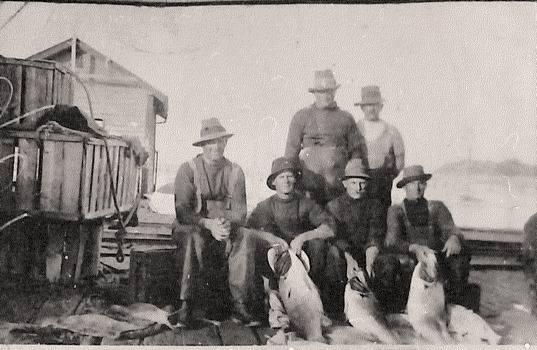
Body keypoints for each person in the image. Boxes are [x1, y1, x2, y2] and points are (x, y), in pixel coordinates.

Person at [171, 118, 258, 325]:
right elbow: (182, 210)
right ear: (202, 145)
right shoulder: (188, 169)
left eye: (220, 142)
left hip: (224, 227)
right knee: (193, 237)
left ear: (226, 143)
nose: (216, 147)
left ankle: (240, 304)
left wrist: (226, 225)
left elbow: (240, 212)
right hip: (193, 225)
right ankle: (187, 304)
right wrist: (208, 224)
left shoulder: (235, 171)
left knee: (245, 236)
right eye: (210, 142)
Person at [245, 157, 340, 316]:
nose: (286, 181)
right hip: (276, 259)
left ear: (295, 179)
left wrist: (303, 237)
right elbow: (248, 230)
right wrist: (272, 238)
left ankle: (319, 302)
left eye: (289, 176)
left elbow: (330, 228)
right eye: (281, 177)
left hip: (304, 259)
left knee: (320, 246)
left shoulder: (306, 203)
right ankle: (268, 302)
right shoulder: (266, 206)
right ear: (274, 182)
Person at [382, 165, 472, 312]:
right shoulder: (396, 211)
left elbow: (450, 228)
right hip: (410, 257)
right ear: (405, 187)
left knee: (459, 258)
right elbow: (392, 241)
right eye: (412, 184)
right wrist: (414, 248)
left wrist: (454, 238)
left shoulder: (436, 207)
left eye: (421, 183)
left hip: (434, 257)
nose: (417, 188)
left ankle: (453, 307)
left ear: (425, 185)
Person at [285, 69, 367, 206]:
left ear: (335, 92)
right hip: (308, 186)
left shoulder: (345, 118)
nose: (326, 96)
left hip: (338, 185)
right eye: (322, 92)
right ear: (315, 93)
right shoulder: (301, 117)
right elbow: (290, 153)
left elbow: (356, 151)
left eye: (330, 91)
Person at [326, 158, 387, 313]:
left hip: (367, 252)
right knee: (334, 257)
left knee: (388, 263)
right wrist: (348, 255)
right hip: (343, 252)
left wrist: (371, 255)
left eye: (362, 183)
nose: (358, 187)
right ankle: (337, 309)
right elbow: (334, 236)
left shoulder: (375, 206)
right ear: (345, 184)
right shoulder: (333, 206)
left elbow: (376, 232)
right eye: (353, 183)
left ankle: (383, 309)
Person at [354, 86, 404, 211]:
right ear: (362, 107)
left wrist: (387, 176)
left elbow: (400, 160)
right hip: (359, 180)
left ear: (381, 107)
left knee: (381, 213)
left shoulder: (391, 131)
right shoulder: (355, 129)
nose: (372, 109)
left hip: (382, 182)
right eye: (368, 105)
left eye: (375, 105)